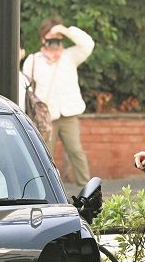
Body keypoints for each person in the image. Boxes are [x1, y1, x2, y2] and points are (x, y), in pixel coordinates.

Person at [21, 18, 96, 188]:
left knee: (76, 152)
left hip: (68, 114)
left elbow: (88, 44)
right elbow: (26, 89)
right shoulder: (33, 60)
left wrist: (65, 30)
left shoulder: (70, 56)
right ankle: (44, 191)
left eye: (57, 38)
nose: (54, 42)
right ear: (42, 38)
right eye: (50, 37)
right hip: (45, 117)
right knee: (44, 155)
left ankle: (88, 191)